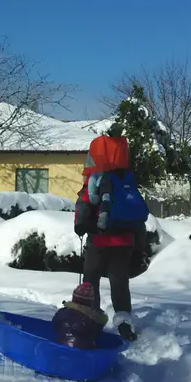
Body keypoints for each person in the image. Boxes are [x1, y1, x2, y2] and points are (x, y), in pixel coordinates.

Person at [74, 135, 148, 342]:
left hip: (99, 239)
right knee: (119, 283)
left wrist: (80, 226)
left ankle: (92, 320)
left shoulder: (95, 179)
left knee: (90, 280)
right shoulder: (126, 179)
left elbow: (84, 204)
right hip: (124, 241)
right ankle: (125, 323)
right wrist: (138, 245)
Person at [52, 282, 109, 349]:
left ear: (74, 298)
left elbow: (55, 324)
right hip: (84, 352)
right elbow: (97, 332)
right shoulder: (94, 319)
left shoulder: (62, 312)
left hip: (61, 347)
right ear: (90, 302)